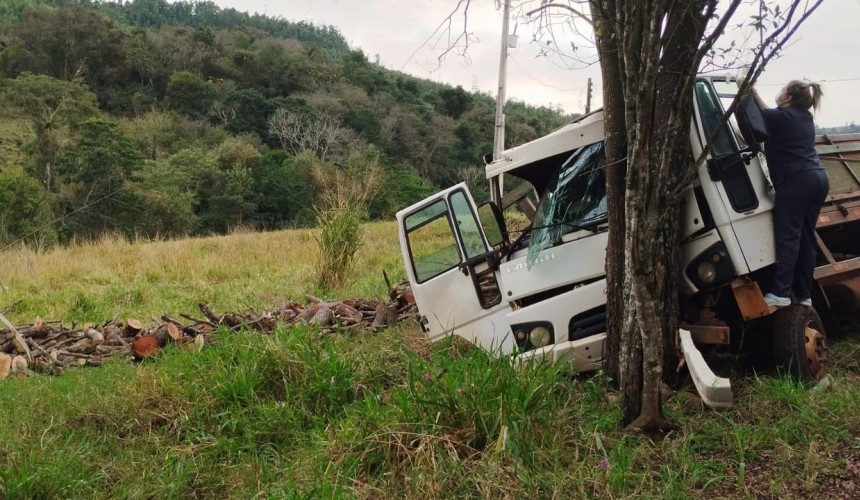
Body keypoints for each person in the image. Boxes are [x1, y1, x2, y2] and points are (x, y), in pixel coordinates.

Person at [752, 80, 828, 309]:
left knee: (789, 238)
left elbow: (762, 113)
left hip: (796, 182)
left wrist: (750, 91)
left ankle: (781, 292)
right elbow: (769, 112)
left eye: (782, 90)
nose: (779, 93)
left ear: (788, 98)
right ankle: (805, 295)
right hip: (818, 179)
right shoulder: (804, 117)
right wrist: (754, 92)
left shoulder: (783, 117)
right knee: (806, 238)